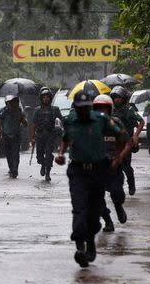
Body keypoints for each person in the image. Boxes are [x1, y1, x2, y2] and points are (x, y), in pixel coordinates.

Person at [55, 91, 126, 268]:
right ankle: (80, 246)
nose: (83, 111)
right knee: (79, 208)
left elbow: (121, 135)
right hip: (78, 171)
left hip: (98, 170)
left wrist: (117, 157)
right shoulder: (71, 120)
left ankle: (91, 243)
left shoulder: (102, 119)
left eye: (86, 108)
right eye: (80, 108)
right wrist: (61, 153)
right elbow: (65, 138)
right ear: (76, 108)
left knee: (95, 211)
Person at [92, 95, 132, 233]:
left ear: (110, 110)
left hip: (114, 167)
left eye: (104, 109)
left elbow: (128, 143)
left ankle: (118, 206)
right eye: (98, 109)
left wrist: (119, 157)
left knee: (117, 193)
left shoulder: (116, 123)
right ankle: (108, 221)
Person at [110, 86, 144, 195]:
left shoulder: (129, 110)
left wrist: (135, 136)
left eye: (118, 97)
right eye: (114, 97)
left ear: (123, 98)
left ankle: (131, 184)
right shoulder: (111, 110)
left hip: (127, 143)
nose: (116, 100)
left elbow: (141, 121)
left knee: (126, 167)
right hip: (114, 142)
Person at [30, 87, 63, 181]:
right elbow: (33, 124)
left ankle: (47, 173)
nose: (45, 98)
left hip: (50, 135)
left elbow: (60, 122)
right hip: (40, 136)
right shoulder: (37, 110)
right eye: (44, 97)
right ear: (41, 98)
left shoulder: (55, 109)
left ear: (50, 98)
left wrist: (60, 135)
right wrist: (32, 138)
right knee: (39, 156)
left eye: (47, 97)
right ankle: (43, 164)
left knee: (48, 155)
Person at [0, 95, 27, 179]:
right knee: (8, 154)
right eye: (10, 103)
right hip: (6, 136)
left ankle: (15, 169)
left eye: (14, 103)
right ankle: (11, 168)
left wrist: (21, 117)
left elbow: (25, 124)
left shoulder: (19, 111)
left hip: (16, 135)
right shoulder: (3, 111)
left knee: (15, 154)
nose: (12, 105)